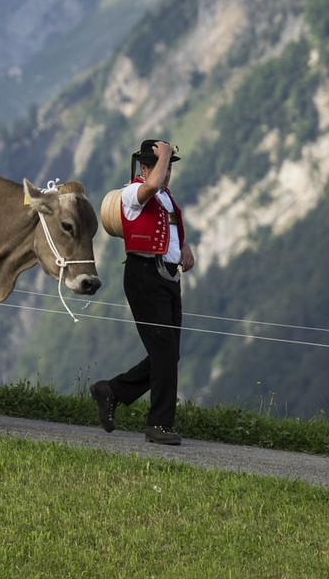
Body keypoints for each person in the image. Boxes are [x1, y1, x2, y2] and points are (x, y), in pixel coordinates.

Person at [91, 138, 194, 444]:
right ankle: (159, 424)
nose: (168, 173)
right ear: (146, 167)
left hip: (167, 277)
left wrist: (183, 248)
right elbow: (149, 188)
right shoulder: (133, 192)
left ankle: (111, 391)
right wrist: (162, 158)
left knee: (168, 354)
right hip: (144, 277)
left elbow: (169, 228)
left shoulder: (165, 198)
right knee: (163, 352)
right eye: (163, 166)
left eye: (170, 167)